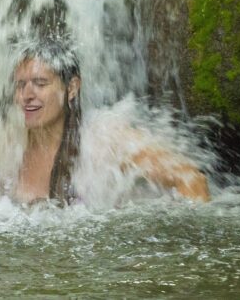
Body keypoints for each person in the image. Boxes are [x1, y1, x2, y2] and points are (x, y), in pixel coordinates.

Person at [13, 38, 211, 204]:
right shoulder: (9, 148)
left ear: (72, 88)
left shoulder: (104, 138)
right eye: (21, 85)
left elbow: (191, 179)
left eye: (40, 83)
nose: (27, 95)